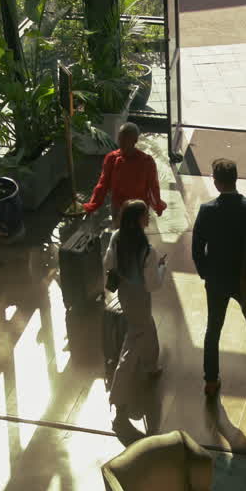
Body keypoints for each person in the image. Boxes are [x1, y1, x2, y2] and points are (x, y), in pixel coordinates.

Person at [191, 158, 246, 396]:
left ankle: (211, 380)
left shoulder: (206, 211)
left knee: (213, 328)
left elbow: (197, 248)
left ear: (216, 183)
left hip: (217, 279)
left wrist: (205, 273)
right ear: (235, 179)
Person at [103, 199, 168, 431]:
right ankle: (117, 397)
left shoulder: (116, 237)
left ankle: (151, 365)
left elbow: (108, 263)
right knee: (132, 344)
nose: (148, 217)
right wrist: (161, 267)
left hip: (125, 292)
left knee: (145, 326)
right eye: (146, 215)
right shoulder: (148, 251)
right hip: (140, 296)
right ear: (139, 220)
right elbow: (153, 285)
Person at [81, 122, 166, 225]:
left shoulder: (146, 161)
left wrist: (157, 205)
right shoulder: (112, 158)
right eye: (120, 138)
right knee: (120, 234)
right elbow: (102, 184)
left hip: (139, 209)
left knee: (137, 236)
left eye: (126, 139)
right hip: (118, 208)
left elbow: (153, 187)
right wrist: (93, 205)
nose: (121, 142)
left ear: (135, 140)